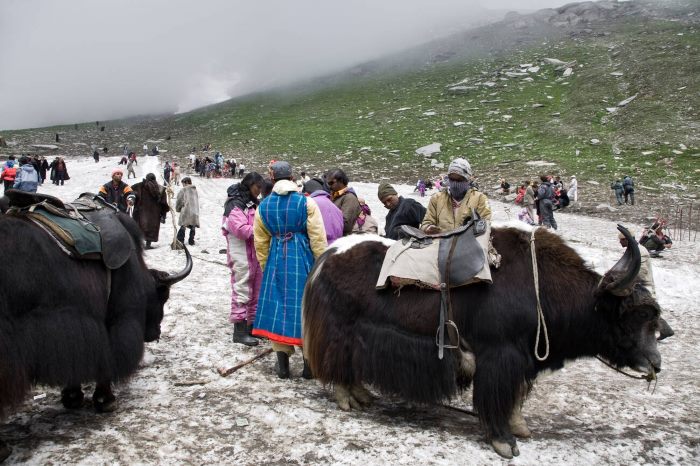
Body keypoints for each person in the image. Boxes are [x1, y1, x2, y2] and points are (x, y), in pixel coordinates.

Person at [252, 161, 327, 379]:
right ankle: (309, 365)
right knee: (305, 307)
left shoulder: (263, 206)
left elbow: (261, 242)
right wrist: (319, 265)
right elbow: (317, 238)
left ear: (272, 178)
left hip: (276, 258)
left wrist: (267, 267)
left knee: (278, 306)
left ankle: (282, 365)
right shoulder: (306, 203)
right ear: (292, 177)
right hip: (302, 258)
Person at [222, 173, 265, 346]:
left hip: (253, 252)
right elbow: (240, 229)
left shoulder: (252, 202)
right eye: (258, 187)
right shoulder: (234, 203)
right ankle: (239, 332)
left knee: (255, 289)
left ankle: (251, 326)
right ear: (250, 184)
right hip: (240, 252)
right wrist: (263, 230)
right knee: (242, 288)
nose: (260, 192)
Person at [619, 232, 674, 340]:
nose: (619, 242)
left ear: (626, 239)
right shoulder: (634, 249)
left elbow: (641, 273)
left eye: (621, 240)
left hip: (643, 287)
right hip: (637, 286)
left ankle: (663, 330)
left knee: (646, 311)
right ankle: (665, 330)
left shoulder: (639, 251)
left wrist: (624, 277)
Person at [421, 157, 492, 233]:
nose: (455, 184)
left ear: (468, 179)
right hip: (442, 242)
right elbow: (426, 222)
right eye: (452, 179)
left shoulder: (480, 199)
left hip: (469, 243)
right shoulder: (436, 198)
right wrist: (428, 228)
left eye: (459, 180)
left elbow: (485, 225)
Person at [131, 173, 169, 249]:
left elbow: (131, 193)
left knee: (140, 227)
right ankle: (148, 244)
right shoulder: (161, 189)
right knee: (152, 227)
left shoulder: (139, 186)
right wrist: (163, 215)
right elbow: (164, 204)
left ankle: (138, 244)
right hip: (155, 214)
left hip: (141, 212)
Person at [302, 178, 344, 245]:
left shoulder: (310, 204)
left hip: (321, 248)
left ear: (306, 194)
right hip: (337, 248)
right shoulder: (334, 205)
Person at [327, 168, 361, 236]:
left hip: (343, 241)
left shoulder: (349, 198)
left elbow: (346, 225)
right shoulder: (334, 196)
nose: (329, 186)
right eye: (328, 183)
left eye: (331, 183)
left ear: (341, 181)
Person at [176, 177, 200, 246]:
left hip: (186, 211)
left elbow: (179, 200)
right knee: (193, 226)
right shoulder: (195, 190)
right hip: (194, 211)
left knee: (183, 225)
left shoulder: (183, 190)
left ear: (186, 182)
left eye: (183, 183)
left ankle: (180, 240)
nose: (182, 185)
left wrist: (178, 208)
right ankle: (191, 240)